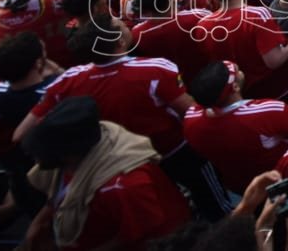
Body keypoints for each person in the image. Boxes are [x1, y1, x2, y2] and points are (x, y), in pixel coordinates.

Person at [20, 96, 191, 251]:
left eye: (40, 153)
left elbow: (140, 231)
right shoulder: (91, 143)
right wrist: (38, 223)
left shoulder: (123, 185)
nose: (35, 159)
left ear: (67, 154)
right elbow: (61, 193)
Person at [182, 59, 288, 194]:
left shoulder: (191, 122)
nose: (239, 70)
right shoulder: (265, 112)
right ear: (235, 87)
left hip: (243, 186)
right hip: (284, 177)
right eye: (237, 71)